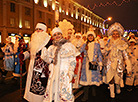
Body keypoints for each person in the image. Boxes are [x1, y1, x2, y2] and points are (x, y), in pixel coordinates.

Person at [43, 27, 80, 102]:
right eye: (55, 35)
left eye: (58, 34)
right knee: (53, 90)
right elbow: (50, 61)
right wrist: (45, 57)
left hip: (64, 72)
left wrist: (71, 71)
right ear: (53, 37)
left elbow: (72, 60)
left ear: (61, 35)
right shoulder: (51, 47)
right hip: (54, 72)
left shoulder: (69, 46)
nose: (57, 36)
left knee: (64, 91)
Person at [23, 22, 50, 102]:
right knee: (31, 83)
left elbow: (50, 56)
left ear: (44, 31)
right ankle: (30, 98)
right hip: (32, 65)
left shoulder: (48, 41)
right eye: (37, 29)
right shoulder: (33, 41)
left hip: (42, 68)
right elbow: (31, 52)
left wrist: (44, 55)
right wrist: (24, 55)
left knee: (39, 85)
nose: (38, 31)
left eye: (40, 29)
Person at [104, 22, 132, 98]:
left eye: (117, 34)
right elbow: (105, 53)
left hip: (118, 63)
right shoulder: (109, 43)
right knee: (110, 78)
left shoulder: (122, 43)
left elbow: (126, 56)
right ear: (111, 34)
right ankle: (112, 93)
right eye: (114, 33)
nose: (115, 35)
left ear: (119, 35)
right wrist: (105, 50)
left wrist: (128, 66)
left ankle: (117, 86)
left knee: (117, 78)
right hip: (110, 63)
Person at [79, 30, 103, 101]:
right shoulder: (84, 44)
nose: (90, 37)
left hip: (94, 63)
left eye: (91, 36)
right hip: (86, 64)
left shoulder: (97, 44)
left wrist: (100, 63)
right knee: (86, 80)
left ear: (93, 37)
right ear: (87, 37)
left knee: (93, 79)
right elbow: (79, 52)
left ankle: (93, 92)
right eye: (89, 36)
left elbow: (99, 54)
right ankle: (85, 95)